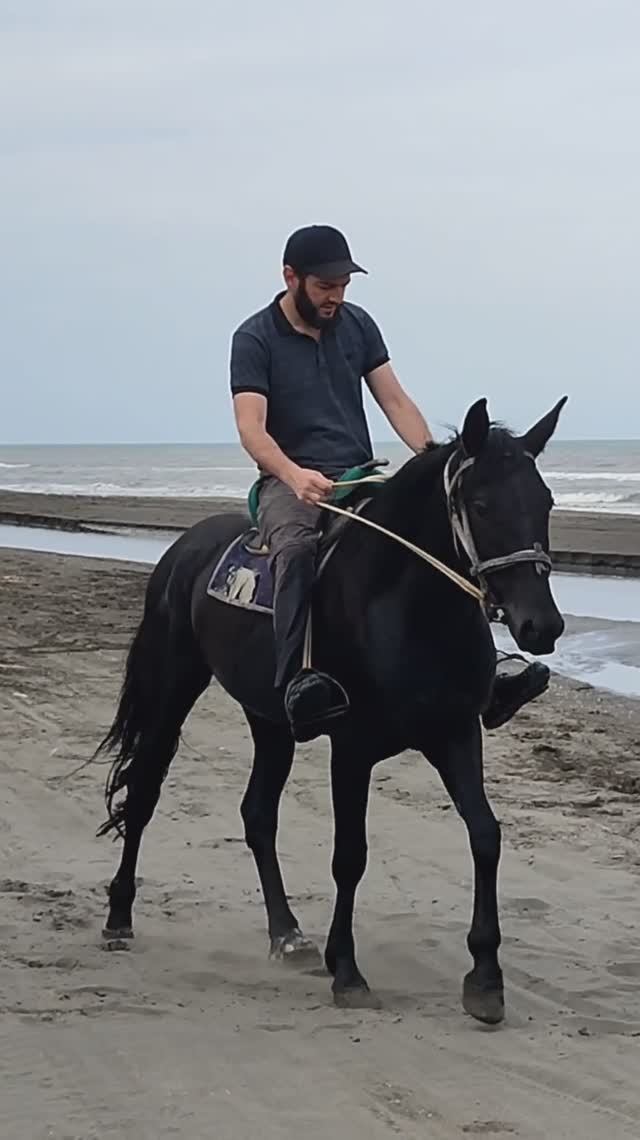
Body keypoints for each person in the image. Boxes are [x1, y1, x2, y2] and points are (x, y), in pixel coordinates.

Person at [230, 225, 549, 740]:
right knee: (295, 551)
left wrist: (431, 463)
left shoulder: (358, 326)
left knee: (439, 539)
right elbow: (251, 427)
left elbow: (394, 400)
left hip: (359, 475)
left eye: (343, 285)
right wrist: (293, 474)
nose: (336, 296)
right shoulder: (254, 338)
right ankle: (297, 680)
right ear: (292, 278)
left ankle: (485, 674)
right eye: (325, 286)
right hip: (291, 484)